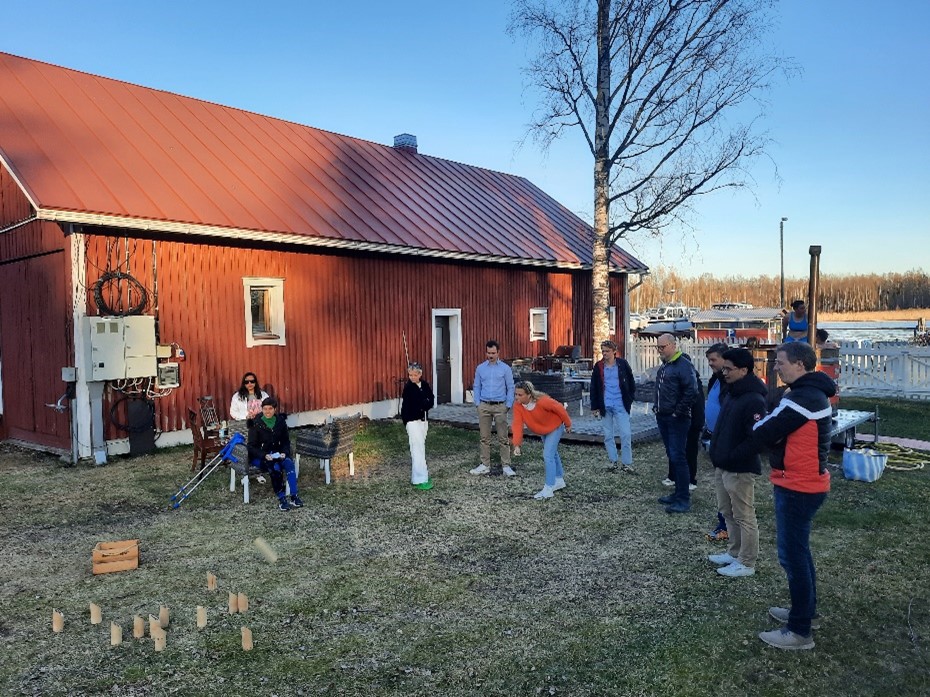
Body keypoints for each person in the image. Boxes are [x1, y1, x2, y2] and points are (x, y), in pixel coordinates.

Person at [750, 342, 834, 650]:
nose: (775, 367)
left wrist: (762, 421)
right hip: (804, 483)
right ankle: (805, 612)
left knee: (792, 556)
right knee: (800, 552)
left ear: (799, 365)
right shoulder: (809, 394)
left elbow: (763, 431)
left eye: (780, 362)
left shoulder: (801, 399)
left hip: (798, 486)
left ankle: (799, 631)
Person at [706, 348, 768, 578]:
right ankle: (734, 553)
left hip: (740, 468)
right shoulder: (732, 392)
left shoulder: (753, 399)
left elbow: (757, 439)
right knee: (728, 512)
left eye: (729, 369)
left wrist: (732, 456)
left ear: (744, 370)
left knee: (744, 515)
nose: (724, 373)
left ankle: (747, 561)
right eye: (724, 368)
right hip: (723, 464)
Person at [653, 334, 698, 514]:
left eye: (662, 347)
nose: (660, 350)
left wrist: (677, 412)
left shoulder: (684, 366)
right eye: (658, 347)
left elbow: (692, 391)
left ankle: (683, 498)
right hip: (663, 416)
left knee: (678, 457)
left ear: (673, 345)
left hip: (677, 419)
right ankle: (678, 492)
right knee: (672, 456)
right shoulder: (666, 365)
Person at [511, 381, 573, 500]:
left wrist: (568, 423)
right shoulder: (518, 406)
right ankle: (559, 480)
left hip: (555, 426)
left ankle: (548, 488)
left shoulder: (542, 401)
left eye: (520, 395)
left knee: (548, 455)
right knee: (552, 453)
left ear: (529, 395)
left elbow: (559, 408)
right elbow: (517, 424)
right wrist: (517, 444)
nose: (517, 397)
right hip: (542, 429)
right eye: (516, 394)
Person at [247, 397, 302, 511]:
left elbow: (286, 441)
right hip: (260, 456)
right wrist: (263, 455)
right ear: (262, 409)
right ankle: (282, 499)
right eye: (265, 409)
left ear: (275, 409)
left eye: (270, 409)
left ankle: (294, 496)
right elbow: (251, 446)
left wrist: (284, 452)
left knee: (288, 463)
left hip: (277, 453)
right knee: (275, 467)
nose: (267, 411)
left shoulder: (280, 422)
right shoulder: (255, 423)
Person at [589, 340, 636, 473]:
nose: (605, 354)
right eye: (603, 351)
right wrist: (595, 406)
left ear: (614, 351)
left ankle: (626, 463)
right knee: (608, 435)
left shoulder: (622, 364)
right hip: (606, 405)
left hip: (620, 404)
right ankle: (613, 461)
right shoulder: (598, 366)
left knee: (626, 434)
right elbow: (594, 387)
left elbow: (631, 382)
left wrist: (630, 398)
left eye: (607, 351)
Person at [470, 340, 515, 476]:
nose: (491, 355)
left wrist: (508, 404)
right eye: (489, 353)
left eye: (493, 353)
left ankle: (506, 466)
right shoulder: (480, 368)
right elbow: (476, 386)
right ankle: (485, 465)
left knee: (503, 437)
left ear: (498, 352)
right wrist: (477, 403)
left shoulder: (505, 369)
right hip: (484, 406)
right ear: (486, 352)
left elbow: (511, 387)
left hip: (500, 406)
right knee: (484, 437)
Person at [703, 343, 731, 542]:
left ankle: (726, 525)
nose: (710, 364)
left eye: (714, 360)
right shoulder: (716, 378)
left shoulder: (730, 382)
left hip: (724, 439)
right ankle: (724, 522)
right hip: (713, 436)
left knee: (728, 486)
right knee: (721, 484)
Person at [663, 355, 703, 490]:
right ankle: (673, 476)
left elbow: (697, 404)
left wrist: (696, 423)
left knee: (690, 451)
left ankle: (691, 479)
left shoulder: (693, 381)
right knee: (675, 450)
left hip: (692, 421)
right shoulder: (676, 381)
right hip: (679, 420)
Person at [400, 362, 435, 490]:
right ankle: (420, 478)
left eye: (415, 375)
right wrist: (423, 401)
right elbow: (416, 403)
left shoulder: (424, 385)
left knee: (421, 447)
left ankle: (418, 476)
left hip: (423, 420)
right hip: (412, 420)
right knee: (417, 447)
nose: (412, 377)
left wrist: (425, 402)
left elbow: (430, 400)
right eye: (410, 375)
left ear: (420, 374)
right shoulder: (409, 388)